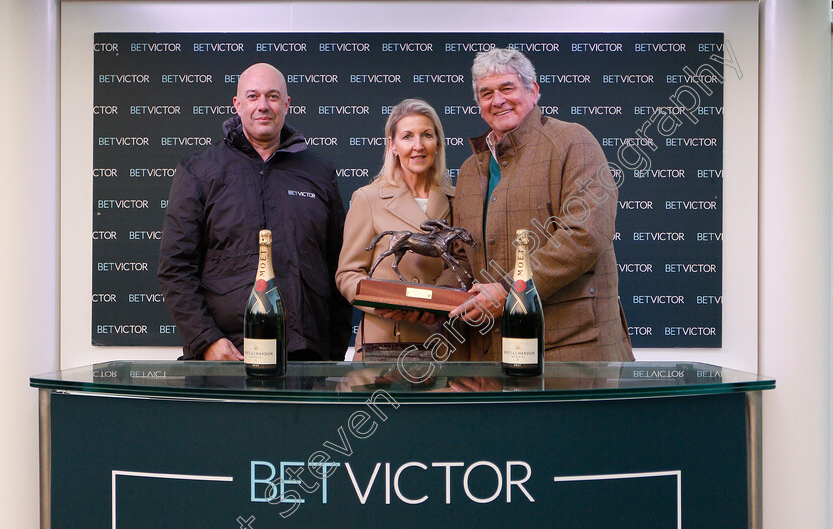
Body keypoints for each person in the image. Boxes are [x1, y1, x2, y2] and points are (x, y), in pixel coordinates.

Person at [445, 48, 634, 362]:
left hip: (572, 352)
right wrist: (428, 302)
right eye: (486, 93)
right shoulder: (469, 170)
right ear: (479, 105)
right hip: (492, 354)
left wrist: (508, 290)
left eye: (507, 88)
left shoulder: (573, 141)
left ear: (533, 91)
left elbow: (585, 235)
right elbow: (463, 256)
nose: (498, 100)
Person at [158, 63, 351, 362]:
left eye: (273, 97)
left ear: (286, 104)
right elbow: (175, 268)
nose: (263, 106)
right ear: (237, 104)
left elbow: (339, 269)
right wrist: (206, 340)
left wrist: (331, 356)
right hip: (228, 356)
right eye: (253, 96)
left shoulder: (320, 173)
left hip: (304, 359)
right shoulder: (199, 171)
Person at [336, 98, 468, 360]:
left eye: (427, 135)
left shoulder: (459, 199)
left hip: (446, 342)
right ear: (392, 145)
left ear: (438, 144)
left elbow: (464, 262)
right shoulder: (368, 198)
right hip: (385, 343)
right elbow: (348, 274)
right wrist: (383, 303)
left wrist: (437, 299)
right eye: (407, 137)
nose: (418, 146)